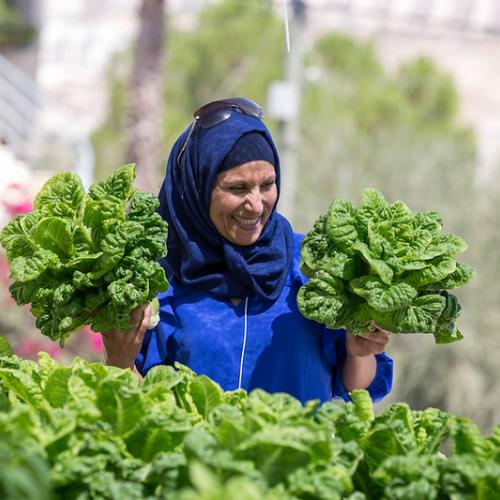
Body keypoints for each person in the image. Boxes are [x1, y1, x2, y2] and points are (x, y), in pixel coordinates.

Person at [102, 97, 393, 404]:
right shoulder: (157, 278)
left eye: (267, 184)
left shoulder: (312, 266)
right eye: (237, 188)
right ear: (198, 189)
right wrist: (119, 363)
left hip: (300, 451)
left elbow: (357, 389)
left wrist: (359, 353)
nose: (256, 205)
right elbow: (140, 406)